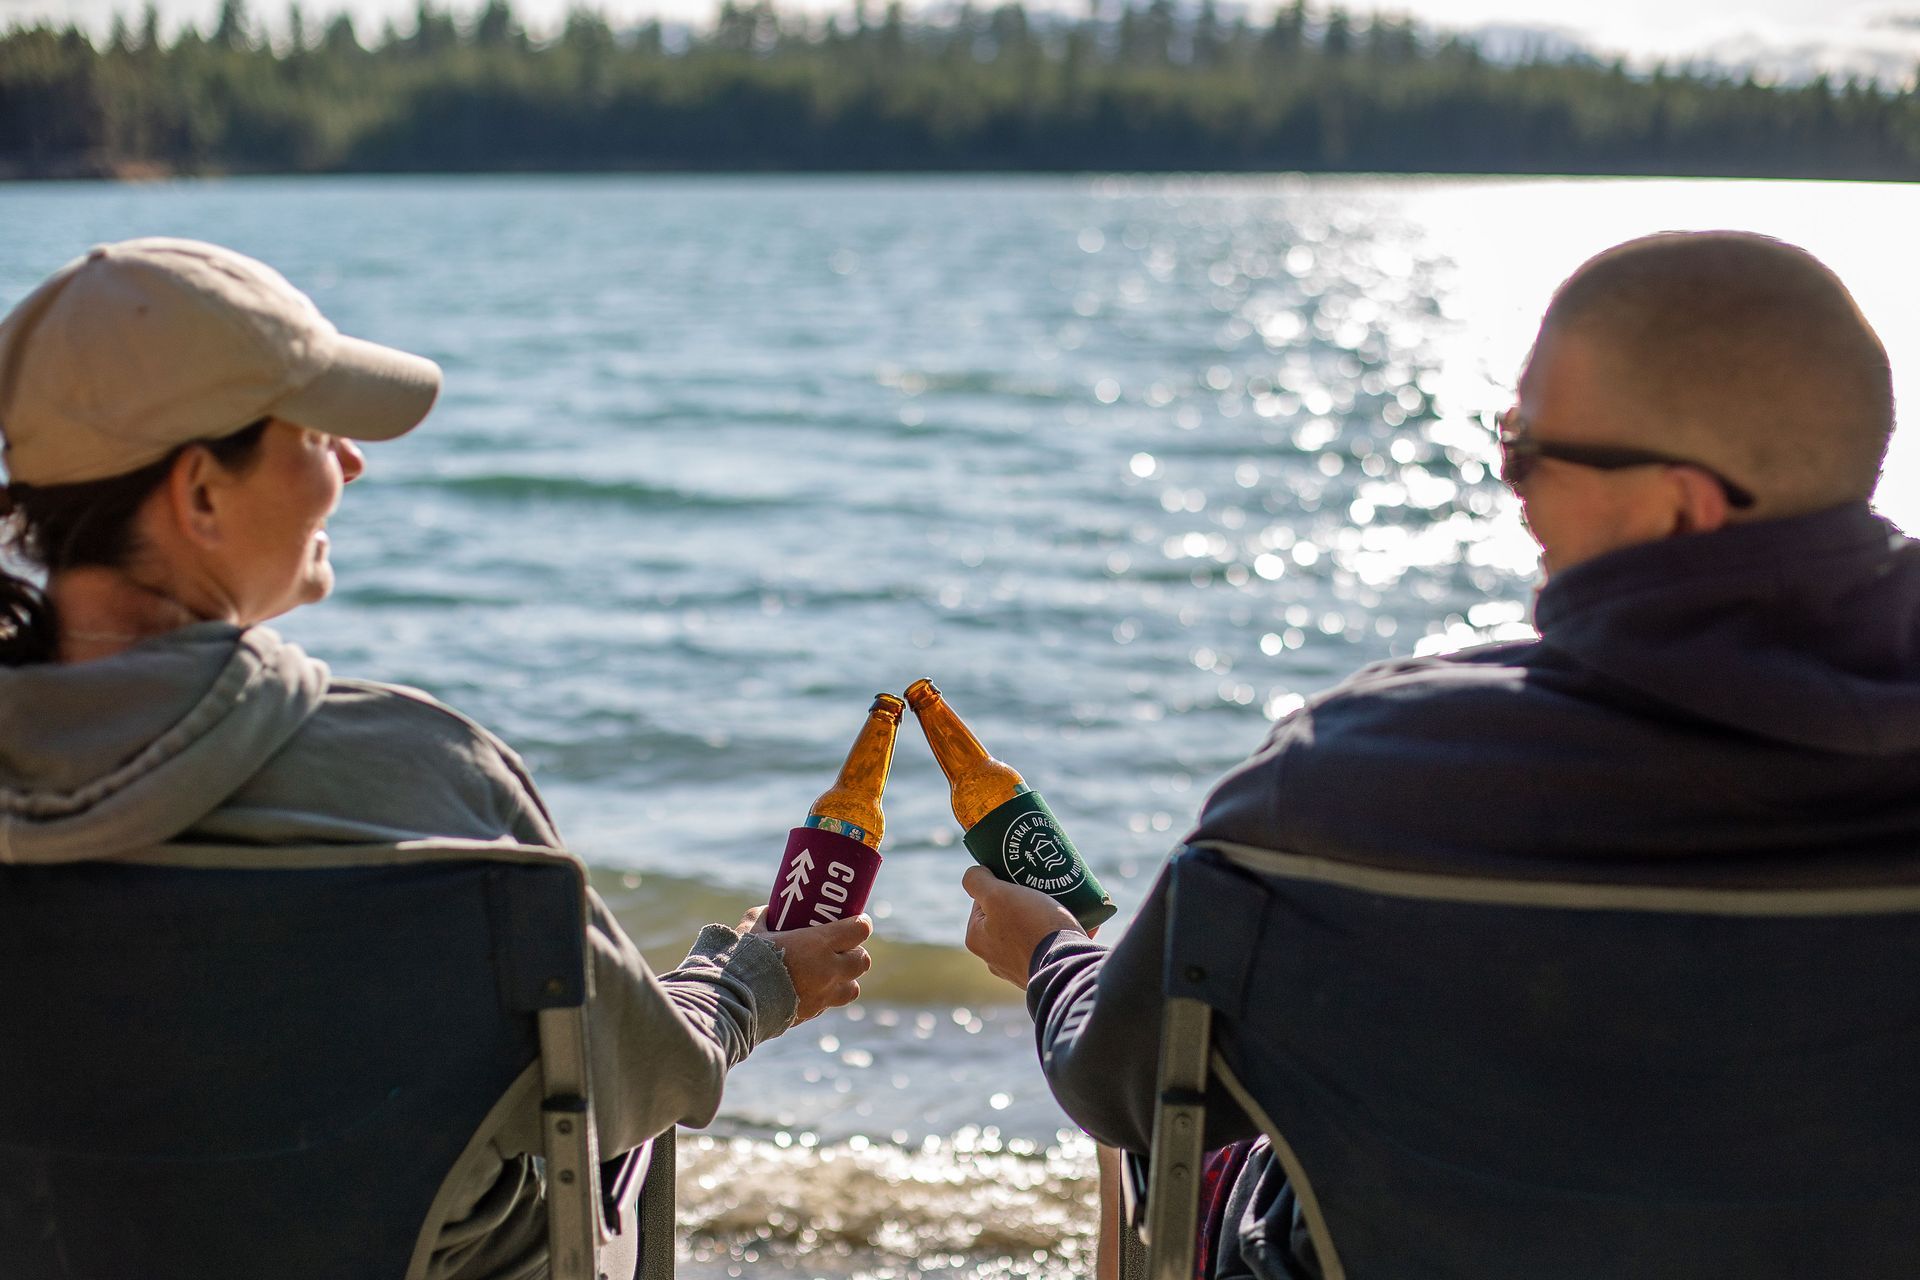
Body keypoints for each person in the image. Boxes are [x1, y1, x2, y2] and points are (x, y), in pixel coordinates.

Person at [958, 230, 1920, 1276]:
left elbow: (1124, 1083)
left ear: (1679, 502)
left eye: (1528, 453)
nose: (1511, 488)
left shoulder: (1346, 791)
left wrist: (1053, 956)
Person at [0, 237, 873, 1279]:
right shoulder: (427, 781)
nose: (352, 462)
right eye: (318, 432)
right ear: (199, 494)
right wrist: (746, 980)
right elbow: (637, 1082)